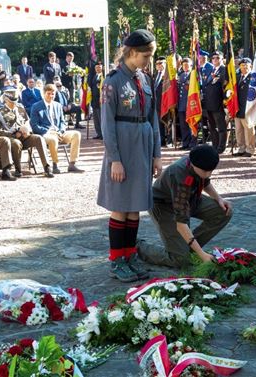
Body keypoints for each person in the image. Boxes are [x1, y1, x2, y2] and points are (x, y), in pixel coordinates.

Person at [97, 29, 162, 282]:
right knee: (120, 207)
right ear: (132, 52)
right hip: (123, 149)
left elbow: (152, 118)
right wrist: (114, 159)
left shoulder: (144, 80)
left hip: (143, 147)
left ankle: (130, 254)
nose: (149, 60)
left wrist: (157, 154)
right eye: (146, 55)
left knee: (135, 207)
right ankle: (117, 259)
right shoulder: (112, 81)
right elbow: (107, 124)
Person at [137, 145, 232, 268]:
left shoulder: (198, 162)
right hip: (164, 206)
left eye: (211, 171)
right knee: (180, 259)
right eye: (205, 171)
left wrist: (218, 198)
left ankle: (188, 247)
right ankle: (137, 246)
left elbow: (205, 181)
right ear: (193, 164)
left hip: (190, 198)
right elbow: (181, 223)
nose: (208, 174)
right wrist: (202, 255)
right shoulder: (179, 176)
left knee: (223, 211)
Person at [0, 88, 54, 178]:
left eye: (15, 100)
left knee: (39, 138)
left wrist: (28, 132)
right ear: (6, 99)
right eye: (11, 101)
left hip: (25, 137)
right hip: (11, 139)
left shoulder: (20, 108)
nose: (14, 103)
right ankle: (18, 170)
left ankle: (47, 167)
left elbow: (27, 122)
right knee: (16, 143)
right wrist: (14, 134)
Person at [30, 83, 84, 174]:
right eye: (48, 93)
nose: (51, 96)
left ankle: (72, 164)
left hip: (59, 132)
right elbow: (34, 125)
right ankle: (55, 165)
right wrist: (49, 131)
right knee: (53, 139)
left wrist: (61, 130)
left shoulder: (58, 105)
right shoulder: (36, 106)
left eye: (53, 93)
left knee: (76, 134)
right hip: (46, 134)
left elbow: (63, 122)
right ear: (43, 93)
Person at [202, 51, 228, 153]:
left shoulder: (224, 70)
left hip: (218, 103)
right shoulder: (212, 70)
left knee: (221, 127)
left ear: (222, 59)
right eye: (213, 58)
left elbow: (224, 86)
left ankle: (221, 147)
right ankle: (215, 145)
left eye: (217, 58)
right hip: (209, 103)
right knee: (212, 127)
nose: (215, 59)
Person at [233, 58, 255, 157]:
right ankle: (241, 148)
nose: (244, 67)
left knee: (248, 129)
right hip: (238, 107)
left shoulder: (253, 78)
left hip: (248, 108)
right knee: (238, 130)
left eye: (246, 65)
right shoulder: (237, 77)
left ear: (250, 66)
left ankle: (249, 149)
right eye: (242, 65)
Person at [177, 57, 195, 149]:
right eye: (184, 65)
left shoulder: (193, 74)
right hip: (181, 104)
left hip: (191, 103)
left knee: (191, 124)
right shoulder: (180, 75)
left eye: (187, 65)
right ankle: (185, 143)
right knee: (183, 125)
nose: (185, 67)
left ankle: (192, 143)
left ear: (191, 65)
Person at [89, 61, 104, 139]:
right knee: (96, 119)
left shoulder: (103, 76)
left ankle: (102, 134)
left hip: (100, 99)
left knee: (101, 117)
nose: (98, 69)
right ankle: (98, 133)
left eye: (99, 67)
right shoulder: (94, 76)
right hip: (94, 100)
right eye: (96, 67)